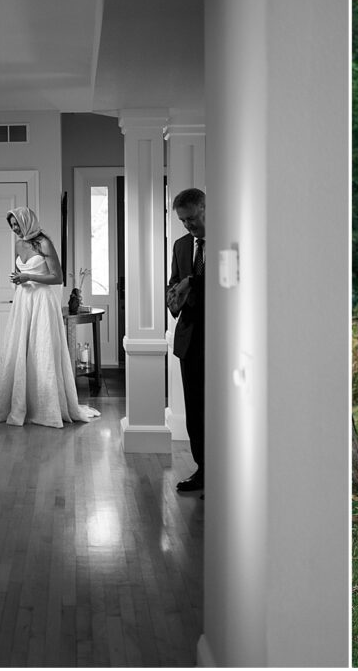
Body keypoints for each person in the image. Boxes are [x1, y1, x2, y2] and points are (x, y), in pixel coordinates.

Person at [0, 206, 100, 428]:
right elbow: (19, 272)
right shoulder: (18, 244)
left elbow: (57, 277)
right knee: (20, 348)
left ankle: (47, 407)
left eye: (17, 225)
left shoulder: (44, 243)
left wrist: (29, 275)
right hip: (23, 299)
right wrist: (18, 279)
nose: (15, 230)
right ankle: (22, 403)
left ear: (27, 222)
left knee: (42, 348)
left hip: (42, 300)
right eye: (12, 226)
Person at [168, 188, 206, 494]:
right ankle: (203, 471)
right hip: (189, 340)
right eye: (183, 221)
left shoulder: (229, 242)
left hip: (222, 340)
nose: (188, 226)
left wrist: (192, 282)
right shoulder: (181, 246)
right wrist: (173, 299)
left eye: (192, 218)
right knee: (195, 411)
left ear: (206, 209)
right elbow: (173, 283)